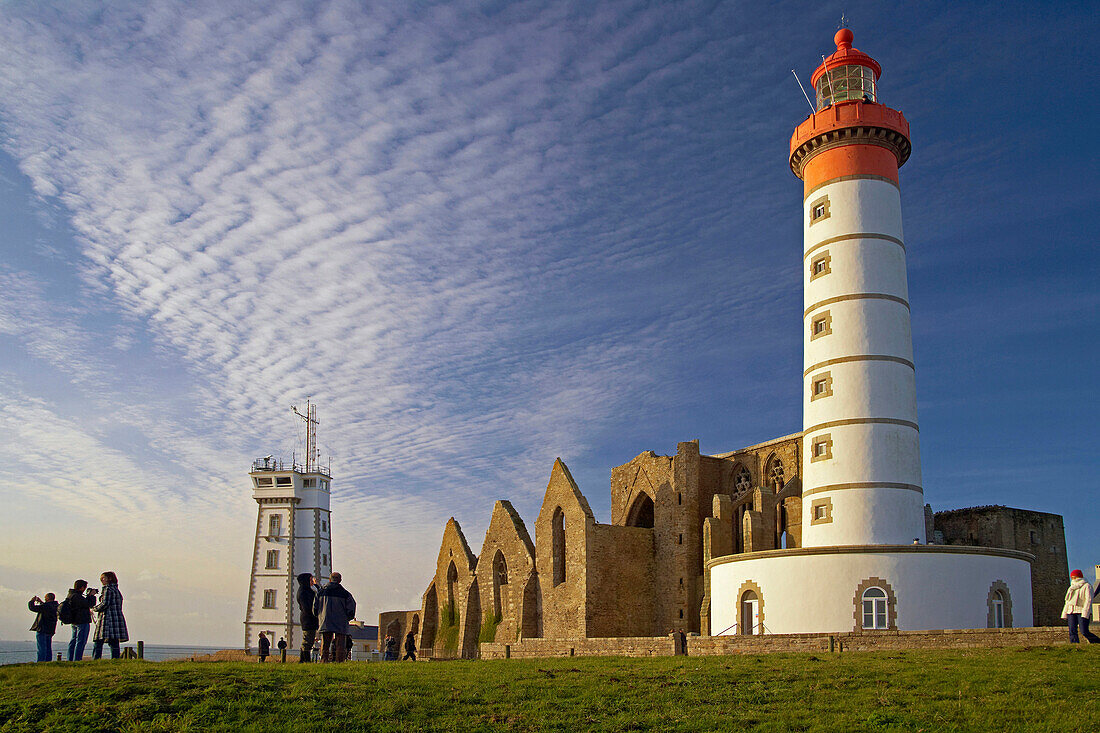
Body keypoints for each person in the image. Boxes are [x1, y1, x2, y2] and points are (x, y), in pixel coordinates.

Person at [313, 571, 355, 663]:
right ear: (340, 580)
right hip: (341, 621)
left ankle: (324, 660)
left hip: (325, 620)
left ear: (329, 579)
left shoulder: (321, 592)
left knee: (325, 643)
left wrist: (319, 616)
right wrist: (347, 618)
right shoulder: (345, 594)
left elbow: (315, 608)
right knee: (340, 644)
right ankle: (339, 661)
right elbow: (351, 608)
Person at [92, 571, 128, 660]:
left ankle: (96, 659)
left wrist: (94, 609)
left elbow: (105, 603)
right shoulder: (116, 590)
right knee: (114, 641)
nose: (101, 580)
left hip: (107, 618)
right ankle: (115, 659)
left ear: (110, 579)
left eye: (103, 578)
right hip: (116, 617)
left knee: (98, 640)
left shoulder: (108, 589)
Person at [62, 580, 95, 661]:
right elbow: (89, 604)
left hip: (74, 621)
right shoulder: (77, 596)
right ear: (82, 588)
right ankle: (77, 659)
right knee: (81, 641)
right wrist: (91, 596)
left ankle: (70, 659)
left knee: (73, 640)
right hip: (82, 621)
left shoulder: (71, 595)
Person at [1062, 569, 1098, 644]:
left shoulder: (1087, 586)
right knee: (1072, 630)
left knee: (1084, 631)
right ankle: (1075, 645)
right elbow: (1067, 601)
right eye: (1072, 577)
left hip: (1081, 611)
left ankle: (1096, 641)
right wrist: (1064, 613)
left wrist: (1085, 612)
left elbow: (1088, 600)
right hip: (1071, 611)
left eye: (1075, 577)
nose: (1073, 579)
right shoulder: (1071, 588)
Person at [28, 593, 59, 662]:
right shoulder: (56, 606)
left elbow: (32, 608)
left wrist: (32, 601)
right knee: (48, 648)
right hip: (50, 630)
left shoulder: (45, 606)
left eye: (45, 598)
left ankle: (41, 662)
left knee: (42, 648)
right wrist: (41, 602)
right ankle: (48, 661)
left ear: (47, 598)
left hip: (42, 629)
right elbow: (47, 607)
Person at [296, 573, 319, 663]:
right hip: (308, 619)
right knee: (307, 641)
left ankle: (304, 659)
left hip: (308, 619)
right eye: (310, 579)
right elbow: (307, 607)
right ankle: (305, 659)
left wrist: (316, 585)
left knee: (308, 640)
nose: (312, 581)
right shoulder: (304, 592)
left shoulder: (305, 590)